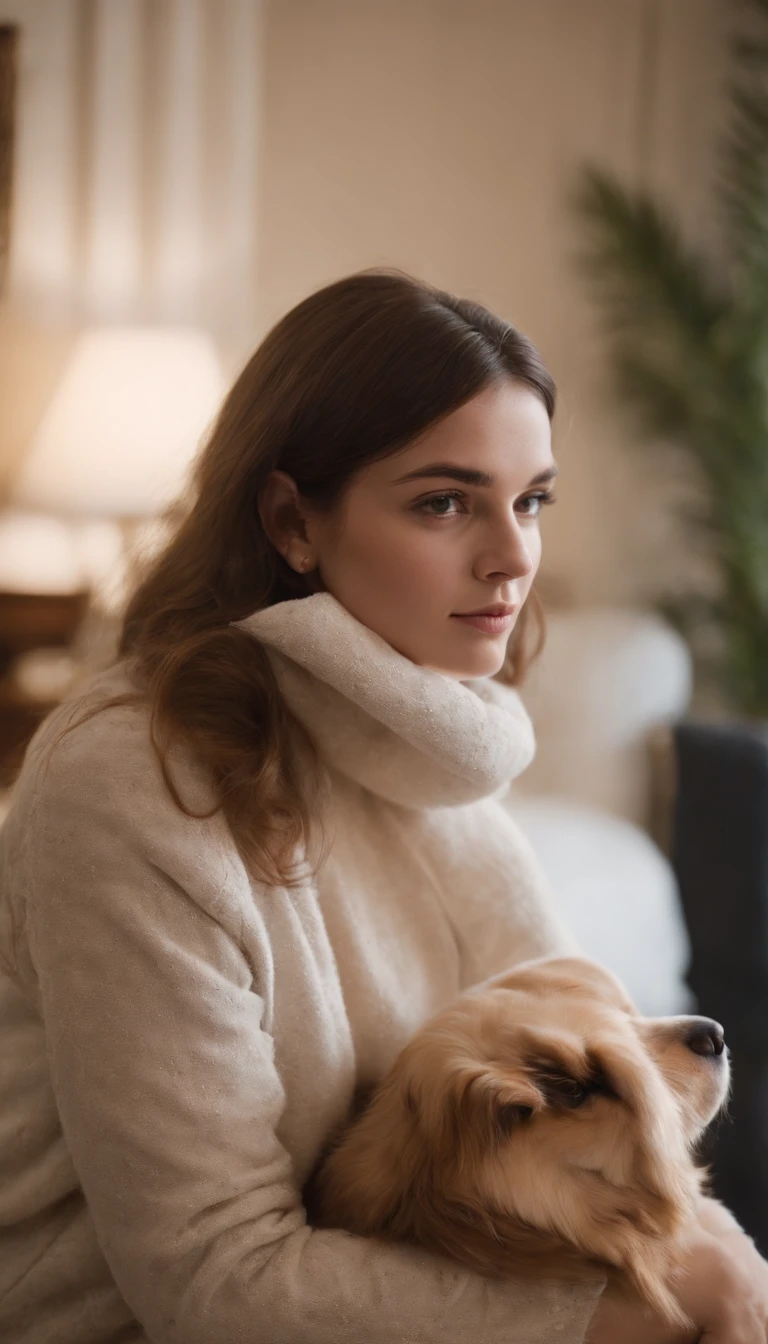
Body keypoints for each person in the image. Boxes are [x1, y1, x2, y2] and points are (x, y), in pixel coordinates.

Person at [0, 269, 766, 1344]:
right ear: (290, 520)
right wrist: (615, 1318)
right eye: (445, 502)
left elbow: (614, 1090)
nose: (513, 558)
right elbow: (214, 1276)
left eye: (532, 498)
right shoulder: (130, 783)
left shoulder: (428, 753)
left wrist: (713, 1259)